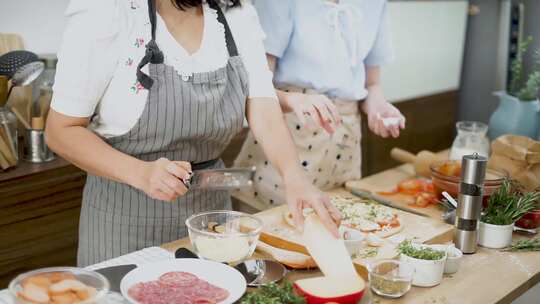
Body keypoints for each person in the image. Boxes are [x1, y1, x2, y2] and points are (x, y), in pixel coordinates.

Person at [45, 0, 340, 266]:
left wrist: (293, 176)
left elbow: (261, 101)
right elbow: (61, 131)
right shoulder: (106, 11)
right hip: (123, 224)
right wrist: (141, 173)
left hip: (213, 225)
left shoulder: (235, 13)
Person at [235, 0, 406, 209]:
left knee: (339, 220)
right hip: (287, 143)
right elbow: (255, 90)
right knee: (279, 227)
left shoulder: (375, 4)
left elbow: (372, 84)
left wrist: (378, 107)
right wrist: (295, 99)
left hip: (345, 147)